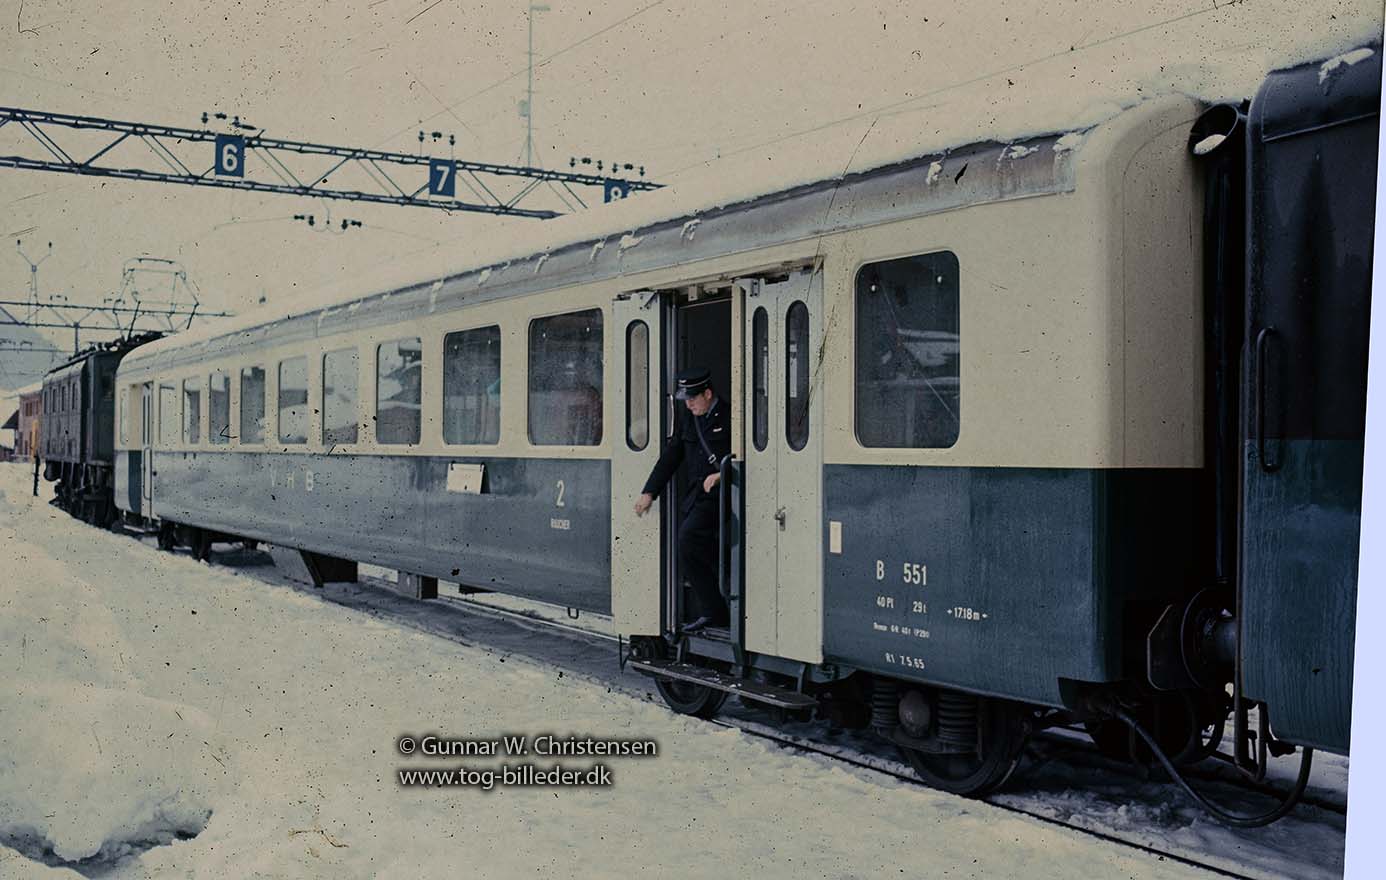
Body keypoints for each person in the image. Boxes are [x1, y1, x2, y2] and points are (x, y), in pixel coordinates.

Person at [634, 366, 731, 633]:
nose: (688, 404)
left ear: (708, 394)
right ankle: (717, 606)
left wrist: (722, 474)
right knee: (691, 547)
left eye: (692, 398)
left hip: (723, 496)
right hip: (696, 497)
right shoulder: (691, 419)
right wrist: (649, 492)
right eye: (685, 399)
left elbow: (745, 456)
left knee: (688, 540)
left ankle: (714, 610)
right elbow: (672, 455)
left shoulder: (731, 416)